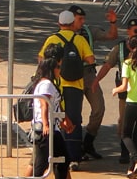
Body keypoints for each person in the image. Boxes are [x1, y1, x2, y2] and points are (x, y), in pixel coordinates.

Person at [30, 44, 87, 179]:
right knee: (41, 164)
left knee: (62, 161)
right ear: (52, 68)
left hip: (51, 128)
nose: (60, 70)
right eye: (58, 67)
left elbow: (55, 107)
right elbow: (44, 104)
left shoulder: (46, 83)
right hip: (45, 129)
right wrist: (47, 124)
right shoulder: (46, 84)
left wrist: (62, 121)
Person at [93, 19, 137, 165]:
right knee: (123, 122)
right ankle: (125, 153)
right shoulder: (119, 48)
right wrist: (96, 80)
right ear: (128, 31)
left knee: (136, 128)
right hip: (126, 94)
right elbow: (108, 65)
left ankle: (135, 157)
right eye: (136, 31)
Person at [39, 10, 96, 169]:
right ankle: (74, 157)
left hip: (57, 85)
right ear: (73, 24)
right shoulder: (79, 39)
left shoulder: (52, 39)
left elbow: (41, 58)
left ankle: (55, 155)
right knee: (74, 120)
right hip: (75, 86)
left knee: (56, 119)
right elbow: (90, 59)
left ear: (59, 24)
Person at [67, 4, 117, 161]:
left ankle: (88, 142)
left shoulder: (88, 31)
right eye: (79, 19)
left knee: (99, 108)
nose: (82, 22)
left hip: (89, 75)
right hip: (71, 77)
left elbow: (111, 36)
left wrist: (113, 23)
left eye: (83, 19)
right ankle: (74, 148)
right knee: (74, 113)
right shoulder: (63, 34)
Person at [112, 35, 137, 179]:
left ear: (129, 46)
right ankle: (132, 168)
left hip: (132, 102)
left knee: (125, 134)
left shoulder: (127, 63)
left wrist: (116, 90)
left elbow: (124, 86)